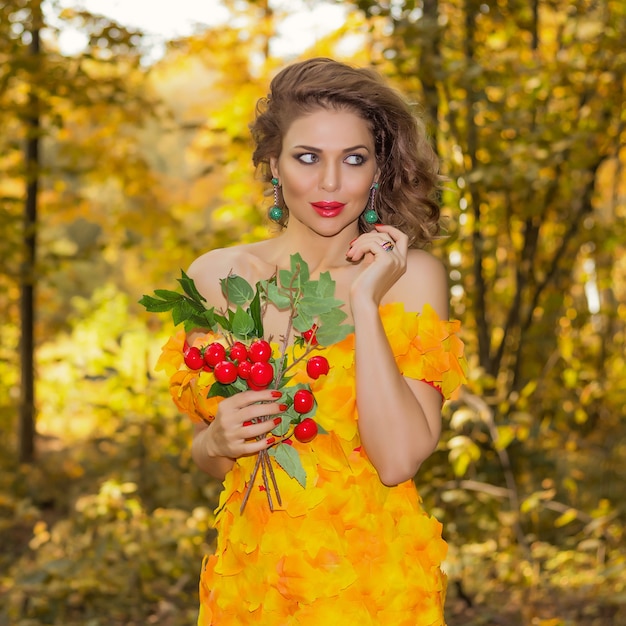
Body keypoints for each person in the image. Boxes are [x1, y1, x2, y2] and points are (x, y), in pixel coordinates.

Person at [156, 57, 467, 625]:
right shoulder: (218, 279)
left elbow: (397, 460)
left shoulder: (411, 278)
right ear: (274, 165)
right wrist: (218, 440)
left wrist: (366, 302)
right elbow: (206, 455)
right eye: (307, 158)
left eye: (353, 159)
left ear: (378, 171)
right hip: (251, 585)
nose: (330, 183)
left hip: (374, 589)